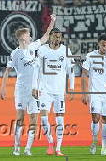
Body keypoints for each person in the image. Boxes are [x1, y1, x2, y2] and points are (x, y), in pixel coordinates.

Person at [0, 14, 56, 156]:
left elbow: (46, 36)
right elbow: (7, 71)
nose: (31, 36)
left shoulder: (33, 46)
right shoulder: (15, 54)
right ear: (23, 37)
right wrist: (3, 88)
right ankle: (16, 147)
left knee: (33, 119)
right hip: (21, 90)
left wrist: (52, 22)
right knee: (19, 118)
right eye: (29, 34)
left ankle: (28, 149)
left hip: (34, 90)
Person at [32, 28, 75, 157]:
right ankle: (50, 141)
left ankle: (58, 148)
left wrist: (71, 88)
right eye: (55, 37)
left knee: (60, 121)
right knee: (44, 119)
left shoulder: (66, 51)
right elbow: (36, 70)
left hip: (59, 91)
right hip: (44, 90)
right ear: (50, 37)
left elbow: (71, 71)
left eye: (59, 37)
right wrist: (34, 86)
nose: (57, 39)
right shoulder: (42, 50)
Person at [81, 34, 106, 155]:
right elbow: (84, 74)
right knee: (95, 118)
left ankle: (104, 149)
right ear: (98, 43)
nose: (105, 47)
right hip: (95, 93)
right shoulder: (90, 56)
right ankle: (94, 141)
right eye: (103, 45)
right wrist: (84, 93)